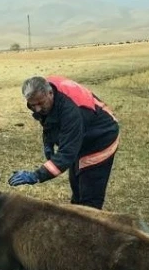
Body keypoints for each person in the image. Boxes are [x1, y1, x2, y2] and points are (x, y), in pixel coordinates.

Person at [7, 75, 120, 210]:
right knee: (77, 187)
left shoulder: (71, 112)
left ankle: (89, 226)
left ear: (50, 93)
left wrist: (36, 176)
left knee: (90, 198)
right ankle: (77, 215)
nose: (37, 109)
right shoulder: (45, 91)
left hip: (101, 137)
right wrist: (48, 141)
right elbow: (49, 119)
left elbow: (66, 155)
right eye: (32, 105)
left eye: (40, 103)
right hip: (82, 134)